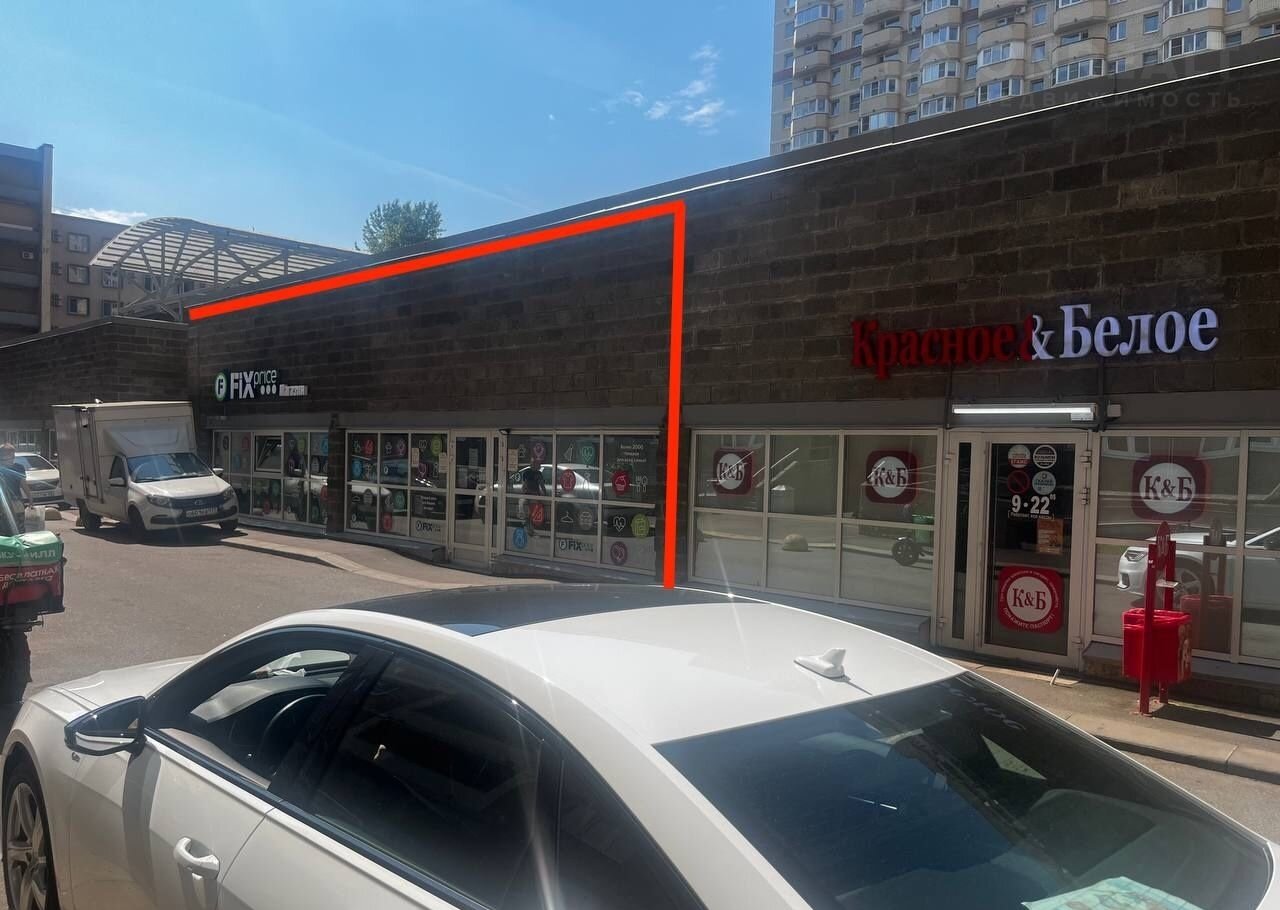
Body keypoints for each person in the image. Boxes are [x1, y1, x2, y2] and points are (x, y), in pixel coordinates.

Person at [0, 445, 32, 533]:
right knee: (4, 528)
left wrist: (30, 498)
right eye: (8, 456)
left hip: (16, 501)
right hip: (2, 503)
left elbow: (23, 484)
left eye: (13, 456)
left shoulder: (18, 467)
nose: (12, 459)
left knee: (19, 526)